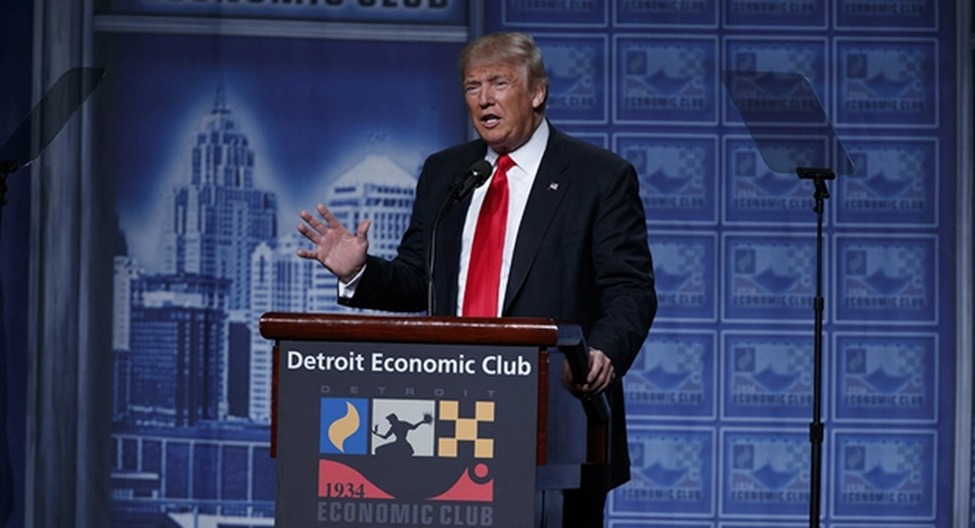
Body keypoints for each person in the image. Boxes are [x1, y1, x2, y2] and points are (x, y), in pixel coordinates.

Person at [297, 32, 656, 527]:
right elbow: (417, 279)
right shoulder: (446, 172)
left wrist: (604, 354)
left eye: (499, 83)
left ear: (537, 92)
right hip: (453, 417)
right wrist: (360, 270)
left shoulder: (599, 176)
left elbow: (630, 288)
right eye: (472, 86)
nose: (484, 98)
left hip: (559, 413)